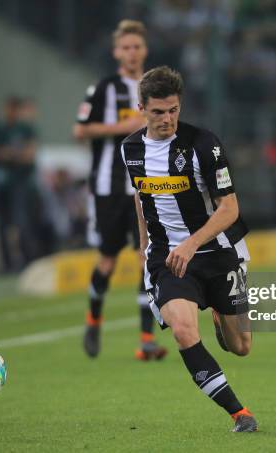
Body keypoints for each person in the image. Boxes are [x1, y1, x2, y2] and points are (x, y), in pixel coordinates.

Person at [121, 66, 257, 432]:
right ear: (141, 109)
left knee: (241, 346)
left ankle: (217, 312)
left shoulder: (203, 145)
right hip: (169, 258)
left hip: (217, 251)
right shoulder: (130, 148)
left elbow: (230, 208)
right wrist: (144, 245)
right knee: (182, 330)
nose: (167, 119)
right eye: (158, 112)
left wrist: (192, 243)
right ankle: (239, 414)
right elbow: (141, 195)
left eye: (173, 110)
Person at [73, 20, 166, 360]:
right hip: (108, 185)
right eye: (125, 47)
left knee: (147, 257)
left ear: (144, 51)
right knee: (108, 260)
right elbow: (80, 130)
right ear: (116, 52)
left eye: (136, 47)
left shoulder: (155, 88)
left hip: (145, 186)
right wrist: (123, 127)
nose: (131, 52)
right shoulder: (102, 89)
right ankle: (93, 320)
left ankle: (146, 339)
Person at [0, 96, 39, 270]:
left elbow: (29, 156)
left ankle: (29, 260)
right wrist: (17, 153)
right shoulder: (0, 130)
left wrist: (11, 154)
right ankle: (7, 264)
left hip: (21, 182)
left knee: (21, 222)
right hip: (3, 183)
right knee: (2, 224)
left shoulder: (25, 129)